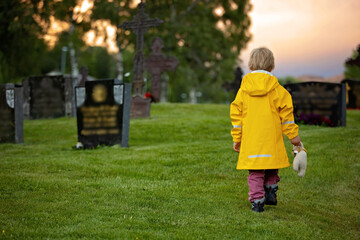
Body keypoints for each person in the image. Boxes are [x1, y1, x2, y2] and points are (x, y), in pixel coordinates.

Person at [230, 47, 301, 212]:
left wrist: (237, 138)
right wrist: (293, 136)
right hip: (271, 140)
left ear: (251, 65)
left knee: (255, 172)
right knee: (271, 165)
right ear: (271, 66)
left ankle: (257, 201)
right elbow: (287, 117)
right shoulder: (278, 91)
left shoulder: (243, 91)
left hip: (252, 141)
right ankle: (270, 190)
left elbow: (236, 117)